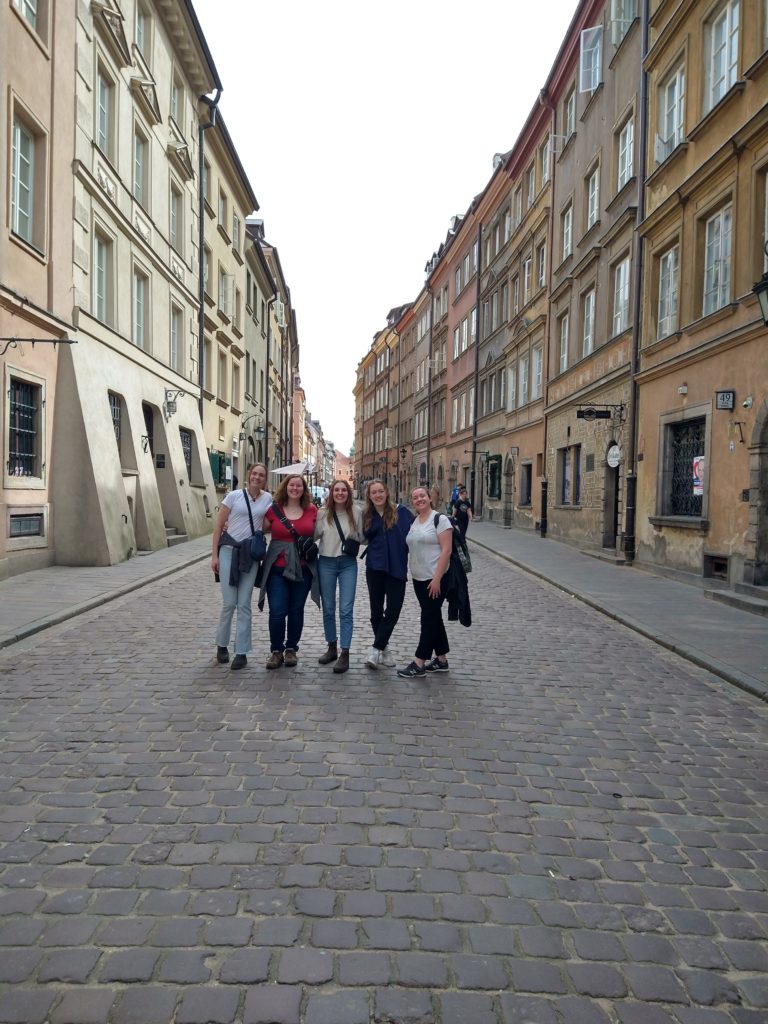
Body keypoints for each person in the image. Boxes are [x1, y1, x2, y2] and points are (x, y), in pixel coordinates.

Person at [211, 463, 271, 670]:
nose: (257, 477)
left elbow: (267, 524)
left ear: (265, 478)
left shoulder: (267, 499)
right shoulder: (233, 496)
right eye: (254, 473)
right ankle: (221, 645)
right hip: (228, 551)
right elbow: (218, 526)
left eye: (261, 475)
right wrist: (214, 556)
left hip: (250, 555)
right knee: (229, 603)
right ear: (249, 475)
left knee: (244, 604)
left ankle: (242, 651)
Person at [258, 474, 319, 669]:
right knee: (277, 611)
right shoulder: (274, 509)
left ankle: (291, 649)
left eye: (299, 486)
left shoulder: (311, 510)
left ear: (304, 489)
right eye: (292, 485)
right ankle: (276, 651)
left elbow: (321, 531)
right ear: (286, 487)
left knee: (296, 610)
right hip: (277, 568)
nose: (295, 488)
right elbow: (260, 529)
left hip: (303, 568)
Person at [397, 486, 453, 678]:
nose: (419, 499)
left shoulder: (440, 519)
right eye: (415, 497)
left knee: (428, 618)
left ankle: (419, 662)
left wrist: (437, 578)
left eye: (422, 496)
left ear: (430, 498)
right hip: (419, 578)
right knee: (433, 616)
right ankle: (441, 660)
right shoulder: (415, 522)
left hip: (435, 578)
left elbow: (446, 551)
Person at [362, 480, 413, 669]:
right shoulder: (366, 515)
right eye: (374, 492)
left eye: (381, 491)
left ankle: (376, 648)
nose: (378, 495)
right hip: (375, 568)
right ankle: (383, 649)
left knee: (392, 611)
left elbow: (417, 532)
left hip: (397, 568)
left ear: (387, 492)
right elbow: (359, 535)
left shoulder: (402, 513)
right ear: (369, 496)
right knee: (376, 611)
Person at [315, 479, 364, 674]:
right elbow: (313, 535)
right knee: (328, 608)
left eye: (344, 490)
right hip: (325, 562)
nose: (340, 493)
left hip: (347, 564)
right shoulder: (322, 513)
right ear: (331, 492)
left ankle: (345, 652)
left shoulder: (357, 512)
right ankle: (331, 647)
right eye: (337, 490)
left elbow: (362, 536)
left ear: (348, 493)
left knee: (345, 609)